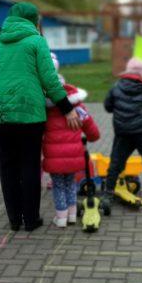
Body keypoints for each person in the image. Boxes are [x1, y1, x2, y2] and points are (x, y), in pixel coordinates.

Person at [0, 2, 82, 232]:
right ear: (34, 21)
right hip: (28, 110)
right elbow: (50, 80)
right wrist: (66, 107)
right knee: (29, 165)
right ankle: (30, 219)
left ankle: (14, 220)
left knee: (7, 166)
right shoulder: (36, 41)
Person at [101, 58, 142, 211]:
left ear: (127, 70)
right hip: (141, 133)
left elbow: (107, 106)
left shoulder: (116, 87)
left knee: (116, 162)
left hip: (122, 132)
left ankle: (108, 194)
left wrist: (120, 115)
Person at [43, 84, 100, 228]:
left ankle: (61, 217)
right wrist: (92, 137)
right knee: (71, 183)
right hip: (74, 154)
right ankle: (73, 215)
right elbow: (91, 129)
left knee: (58, 185)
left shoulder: (46, 110)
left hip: (53, 156)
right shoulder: (78, 107)